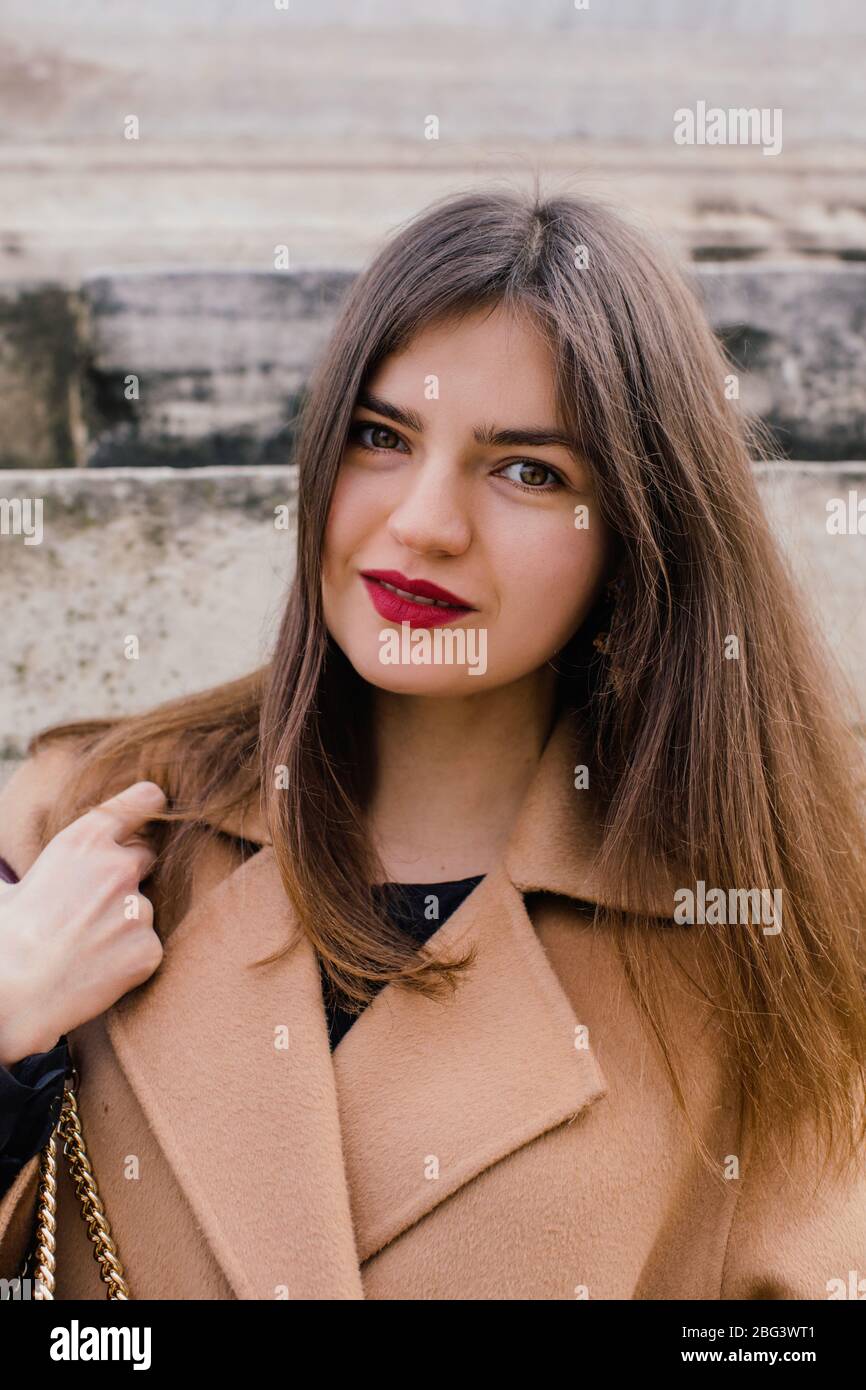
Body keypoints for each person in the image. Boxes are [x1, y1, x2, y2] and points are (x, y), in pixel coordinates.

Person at [1, 187, 864, 1300]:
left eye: (526, 471)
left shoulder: (761, 940)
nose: (421, 521)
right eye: (379, 436)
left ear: (639, 537)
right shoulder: (83, 830)